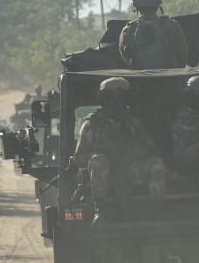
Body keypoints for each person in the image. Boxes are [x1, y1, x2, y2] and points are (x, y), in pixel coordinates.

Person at [71, 77, 167, 222]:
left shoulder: (133, 123)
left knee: (156, 163)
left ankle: (158, 211)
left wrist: (135, 150)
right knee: (99, 160)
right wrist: (99, 155)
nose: (118, 101)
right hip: (105, 179)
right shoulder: (93, 124)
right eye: (113, 98)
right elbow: (79, 158)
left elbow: (150, 149)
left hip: (129, 173)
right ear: (105, 99)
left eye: (122, 97)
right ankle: (100, 210)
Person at [118, 0, 188, 69]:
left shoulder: (128, 31)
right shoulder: (172, 26)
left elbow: (126, 60)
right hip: (170, 79)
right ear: (158, 2)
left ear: (136, 3)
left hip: (139, 80)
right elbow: (182, 56)